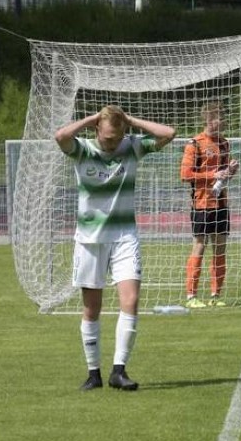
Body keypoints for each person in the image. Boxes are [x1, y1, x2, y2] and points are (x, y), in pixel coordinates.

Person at [54, 105, 176, 391]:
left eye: (116, 138)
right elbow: (60, 136)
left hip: (124, 236)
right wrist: (92, 119)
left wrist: (129, 120)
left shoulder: (131, 147)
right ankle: (93, 372)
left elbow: (169, 133)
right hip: (89, 239)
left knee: (130, 301)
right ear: (97, 130)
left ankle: (118, 371)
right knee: (92, 308)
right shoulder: (82, 149)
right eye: (106, 137)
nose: (111, 144)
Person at [179, 102, 240, 309]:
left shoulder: (224, 143)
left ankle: (216, 295)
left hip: (221, 202)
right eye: (220, 118)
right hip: (202, 203)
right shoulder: (194, 144)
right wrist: (212, 174)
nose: (223, 122)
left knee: (220, 249)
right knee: (200, 246)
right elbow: (185, 175)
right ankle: (191, 295)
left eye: (224, 118)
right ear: (210, 119)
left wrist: (230, 171)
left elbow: (223, 177)